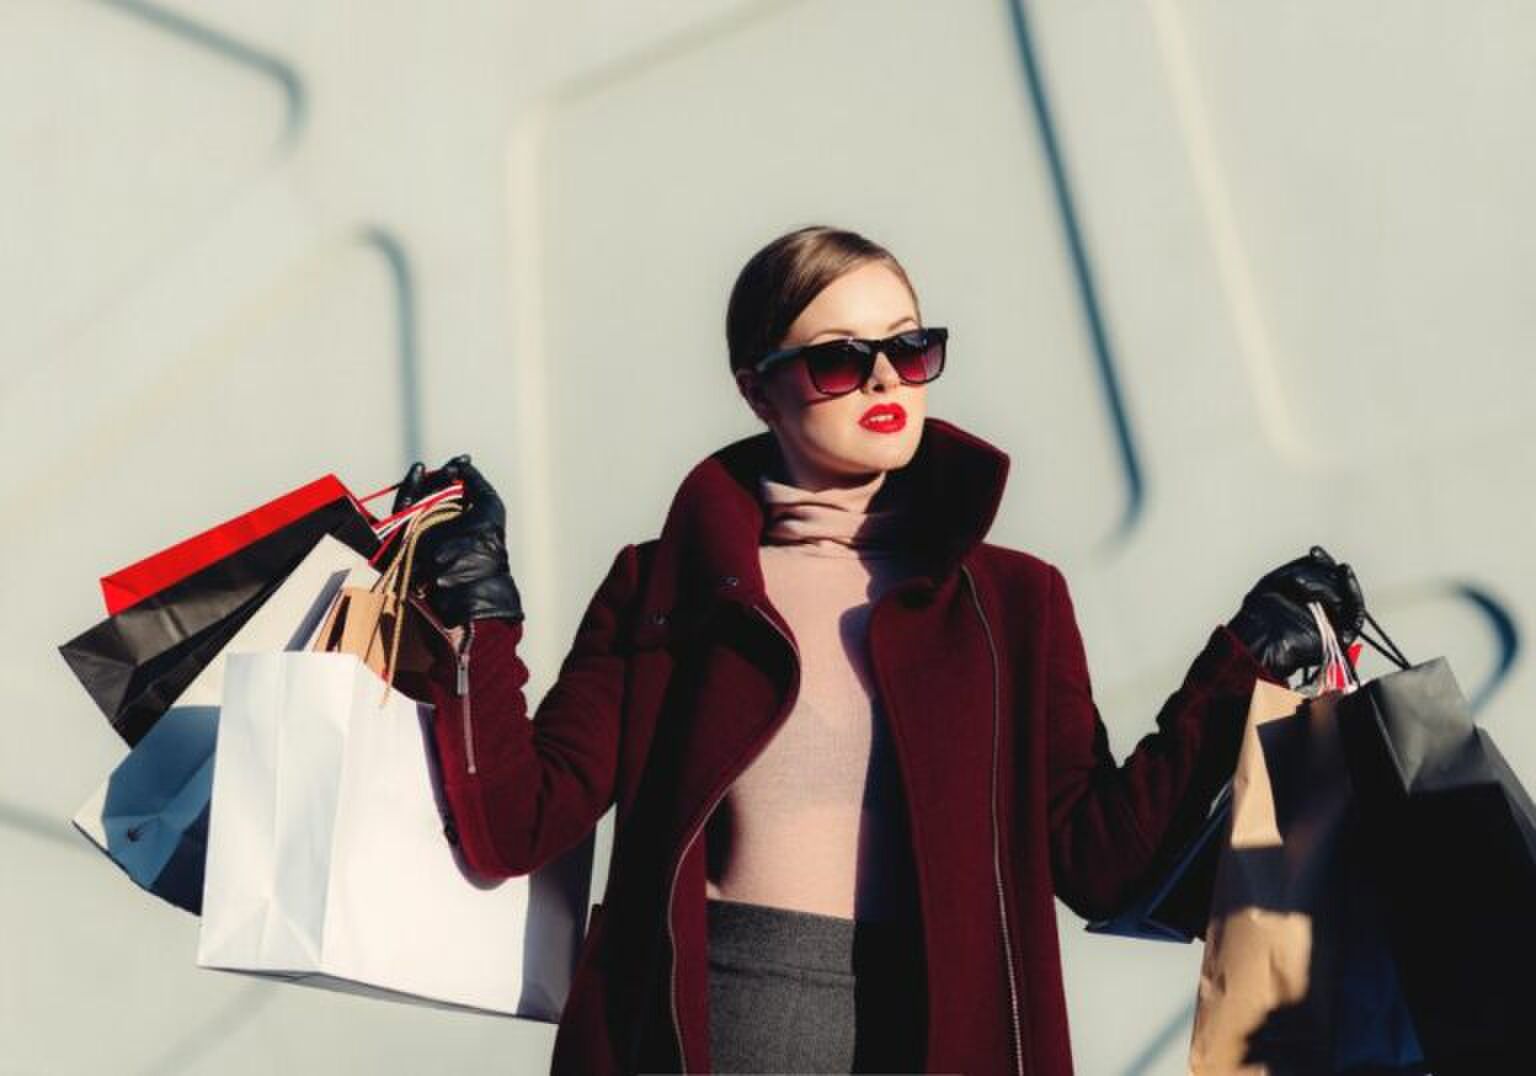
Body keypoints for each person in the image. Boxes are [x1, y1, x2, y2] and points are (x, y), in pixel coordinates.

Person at [392, 225, 1365, 1075]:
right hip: (713, 1031)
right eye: (838, 360)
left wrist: (1244, 661)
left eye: (910, 346)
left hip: (944, 1034)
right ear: (757, 388)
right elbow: (515, 823)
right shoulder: (666, 586)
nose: (888, 379)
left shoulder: (1014, 602)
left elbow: (1099, 861)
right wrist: (479, 608)